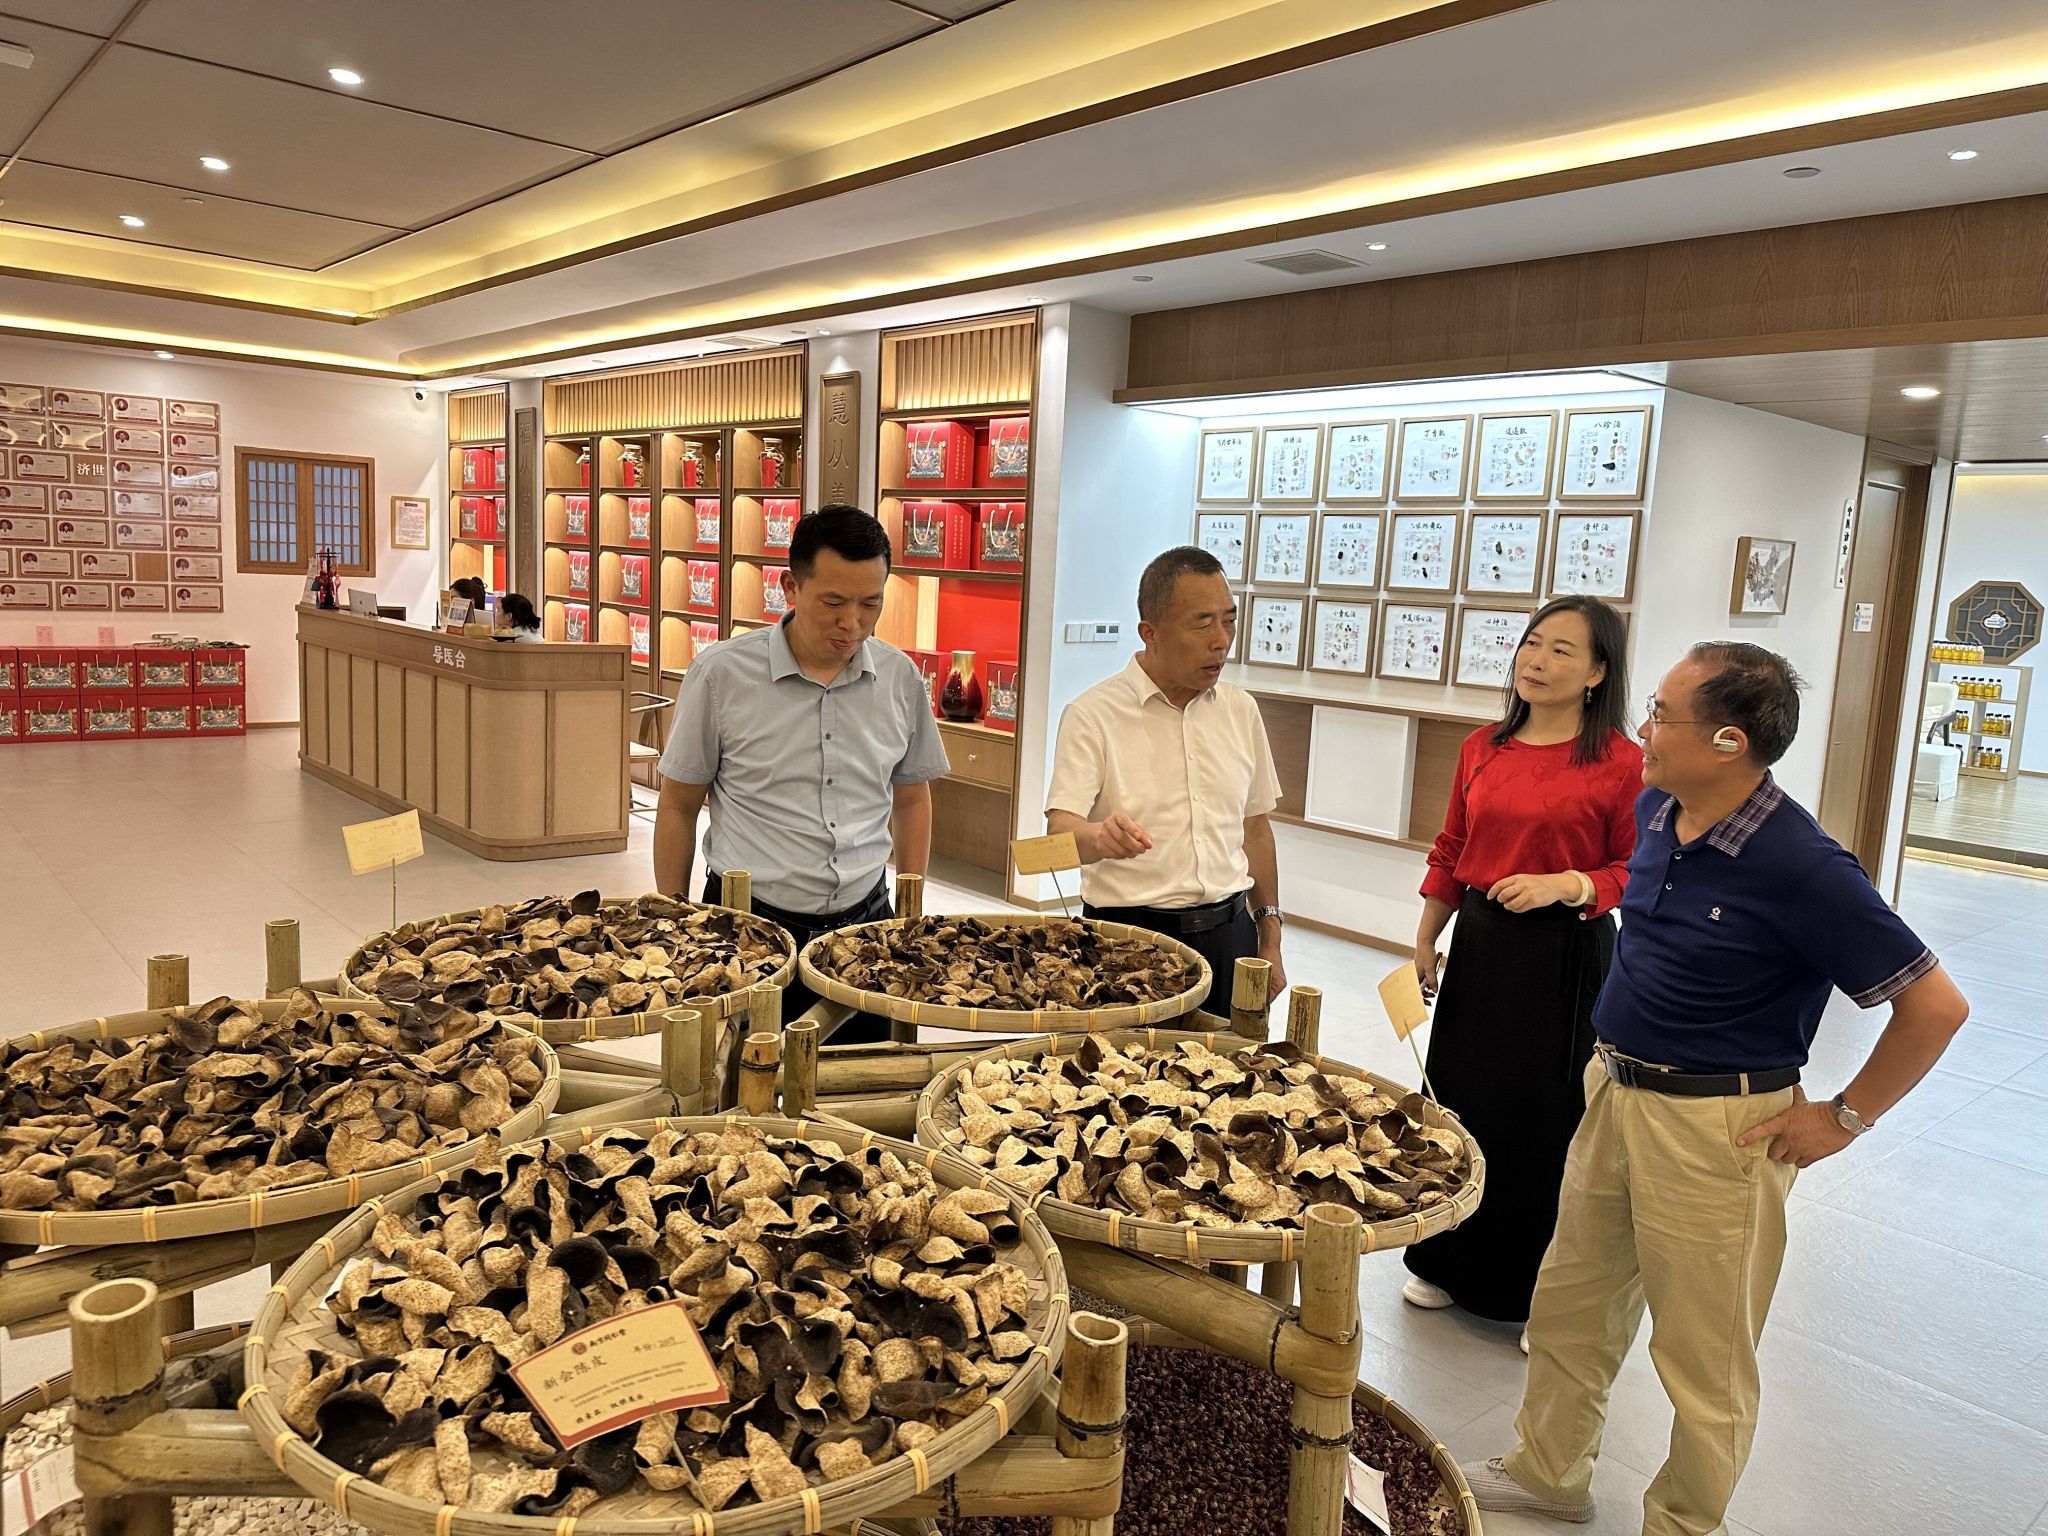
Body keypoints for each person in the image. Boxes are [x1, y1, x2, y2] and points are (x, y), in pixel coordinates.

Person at [1463, 642, 1969, 1536]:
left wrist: (1845, 1117)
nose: (1644, 728)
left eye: (1662, 714)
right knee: (1572, 1306)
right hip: (1615, 1094)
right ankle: (1547, 1473)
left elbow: (1935, 1006)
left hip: (1718, 1130)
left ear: (1729, 741)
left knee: (1705, 1357)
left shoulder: (1805, 867)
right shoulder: (1659, 808)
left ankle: (1685, 1524)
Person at [1403, 596, 1640, 1332]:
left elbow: (1638, 869)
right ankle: (1445, 1261)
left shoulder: (1623, 764)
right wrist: (1426, 936)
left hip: (1565, 954)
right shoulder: (1484, 746)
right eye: (1532, 643)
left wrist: (1567, 884)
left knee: (1545, 1120)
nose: (1536, 660)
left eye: (1562, 650)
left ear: (1598, 673)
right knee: (1460, 1101)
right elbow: (1453, 848)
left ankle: (1539, 1296)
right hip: (1481, 945)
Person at [654, 504, 948, 1040]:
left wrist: (911, 910)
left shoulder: (900, 677)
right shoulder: (721, 675)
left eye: (870, 603)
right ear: (790, 587)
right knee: (745, 1074)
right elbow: (678, 804)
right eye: (833, 602)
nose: (851, 623)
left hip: (867, 922)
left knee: (865, 1071)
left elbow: (911, 798)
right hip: (749, 926)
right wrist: (676, 921)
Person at [1045, 546, 1284, 1016]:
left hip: (1230, 935)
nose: (1221, 641)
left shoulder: (1241, 710)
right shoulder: (1092, 715)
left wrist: (1270, 937)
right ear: (1149, 633)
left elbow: (1255, 828)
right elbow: (1058, 836)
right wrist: (1097, 837)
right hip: (1128, 943)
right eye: (1203, 624)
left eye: (1229, 621)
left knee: (1234, 1060)